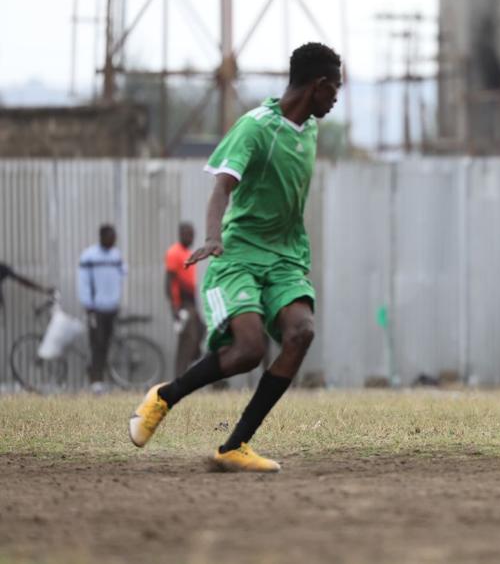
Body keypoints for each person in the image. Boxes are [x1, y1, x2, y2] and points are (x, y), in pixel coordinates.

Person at [129, 42, 343, 473]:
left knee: (301, 333)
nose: (337, 97)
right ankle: (164, 398)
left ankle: (235, 445)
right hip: (239, 255)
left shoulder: (311, 128)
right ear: (318, 85)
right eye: (335, 88)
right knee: (248, 349)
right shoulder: (256, 128)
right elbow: (222, 187)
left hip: (285, 259)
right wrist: (212, 236)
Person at [77, 224, 126, 393]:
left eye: (115, 237)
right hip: (96, 309)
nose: (114, 240)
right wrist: (88, 305)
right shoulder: (89, 256)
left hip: (111, 307)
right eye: (110, 237)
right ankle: (95, 380)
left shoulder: (116, 255)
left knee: (107, 343)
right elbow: (83, 282)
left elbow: (121, 276)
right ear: (102, 237)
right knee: (96, 343)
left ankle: (102, 379)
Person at [165, 222, 203, 377]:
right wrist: (175, 307)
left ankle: (193, 360)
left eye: (192, 233)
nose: (191, 237)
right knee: (187, 339)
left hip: (191, 301)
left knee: (200, 330)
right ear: (180, 234)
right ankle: (180, 377)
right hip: (182, 303)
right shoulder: (174, 252)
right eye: (187, 234)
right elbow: (169, 280)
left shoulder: (188, 253)